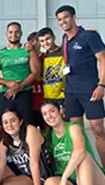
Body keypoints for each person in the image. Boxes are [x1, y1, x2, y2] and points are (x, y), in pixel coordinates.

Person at [56, 5, 105, 166]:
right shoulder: (64, 39)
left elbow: (103, 59)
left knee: (98, 130)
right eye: (60, 19)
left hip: (90, 91)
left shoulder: (89, 36)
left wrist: (102, 85)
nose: (63, 21)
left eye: (66, 17)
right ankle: (86, 168)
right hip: (71, 93)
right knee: (76, 132)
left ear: (74, 17)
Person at [40, 101, 105, 185]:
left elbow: (80, 151)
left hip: (90, 177)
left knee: (84, 157)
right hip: (69, 181)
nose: (49, 116)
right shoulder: (48, 136)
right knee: (50, 182)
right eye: (45, 114)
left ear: (60, 111)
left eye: (52, 111)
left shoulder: (73, 127)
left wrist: (65, 176)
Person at [0, 22, 40, 125]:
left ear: (21, 33)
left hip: (25, 93)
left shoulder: (28, 50)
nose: (14, 35)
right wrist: (7, 83)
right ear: (6, 34)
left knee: (28, 125)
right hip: (7, 93)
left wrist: (20, 86)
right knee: (1, 126)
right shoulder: (0, 53)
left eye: (17, 32)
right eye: (11, 32)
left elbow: (36, 72)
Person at [0, 108, 53, 185]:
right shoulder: (5, 141)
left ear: (20, 121)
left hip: (42, 176)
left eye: (13, 121)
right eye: (5, 122)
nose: (9, 125)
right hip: (26, 176)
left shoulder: (30, 131)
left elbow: (34, 164)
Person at [27, 31, 46, 129]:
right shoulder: (25, 58)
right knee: (31, 126)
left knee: (46, 125)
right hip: (31, 96)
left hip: (44, 94)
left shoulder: (46, 56)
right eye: (30, 41)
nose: (33, 43)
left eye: (35, 40)